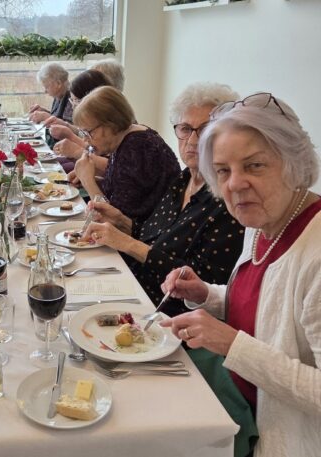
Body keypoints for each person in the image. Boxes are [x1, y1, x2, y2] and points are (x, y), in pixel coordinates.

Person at [159, 92, 321, 456]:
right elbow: (266, 307)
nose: (234, 184)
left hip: (277, 435)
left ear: (294, 162)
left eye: (255, 165)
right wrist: (206, 295)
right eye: (223, 170)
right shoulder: (262, 219)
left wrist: (232, 345)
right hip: (233, 395)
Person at [83, 83, 244, 316]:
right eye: (185, 129)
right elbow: (156, 237)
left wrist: (127, 243)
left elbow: (202, 286)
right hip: (133, 284)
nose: (193, 140)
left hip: (164, 312)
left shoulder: (227, 200)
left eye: (206, 129)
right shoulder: (184, 180)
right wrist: (121, 221)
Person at [70, 86, 180, 223]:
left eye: (88, 132)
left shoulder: (137, 149)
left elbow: (115, 221)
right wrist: (92, 178)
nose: (85, 140)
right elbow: (122, 187)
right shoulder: (129, 138)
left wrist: (88, 181)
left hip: (151, 231)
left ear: (110, 124)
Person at [46, 69, 113, 167]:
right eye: (71, 100)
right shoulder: (97, 121)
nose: (73, 106)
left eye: (76, 101)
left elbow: (110, 166)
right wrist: (66, 125)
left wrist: (72, 139)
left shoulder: (108, 125)